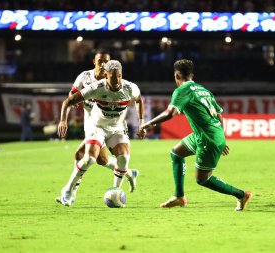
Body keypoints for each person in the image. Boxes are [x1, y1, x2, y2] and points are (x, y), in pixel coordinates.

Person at [139, 59, 252, 211]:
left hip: (208, 139)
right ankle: (179, 196)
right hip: (207, 135)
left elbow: (170, 112)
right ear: (192, 75)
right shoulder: (203, 90)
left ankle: (241, 194)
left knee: (202, 179)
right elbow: (219, 114)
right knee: (176, 153)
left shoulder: (182, 91)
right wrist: (222, 137)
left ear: (176, 75)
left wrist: (148, 123)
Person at [56, 60, 145, 207]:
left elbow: (139, 100)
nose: (117, 81)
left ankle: (115, 191)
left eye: (119, 76)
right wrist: (63, 120)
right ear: (105, 75)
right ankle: (67, 190)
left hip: (117, 128)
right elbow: (68, 101)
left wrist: (141, 122)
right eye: (113, 77)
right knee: (89, 159)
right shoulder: (96, 87)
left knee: (123, 158)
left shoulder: (130, 87)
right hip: (97, 126)